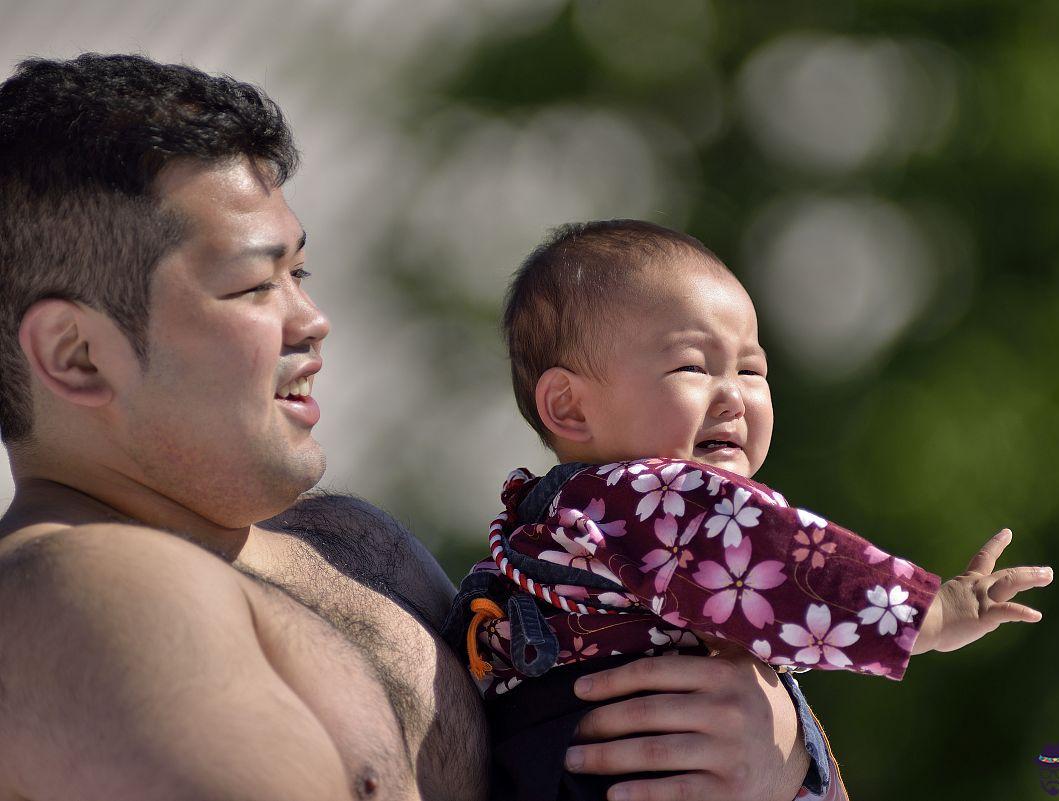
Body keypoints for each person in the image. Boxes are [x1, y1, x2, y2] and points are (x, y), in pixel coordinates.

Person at [0, 56, 818, 801]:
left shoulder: (357, 544)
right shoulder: (78, 592)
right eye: (254, 286)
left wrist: (789, 754)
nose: (313, 320)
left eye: (301, 273)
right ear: (76, 355)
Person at [448, 220, 1055, 800]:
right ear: (570, 407)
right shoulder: (660, 498)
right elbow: (792, 566)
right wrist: (934, 612)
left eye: (750, 369)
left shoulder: (538, 529)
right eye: (692, 366)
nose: (733, 395)